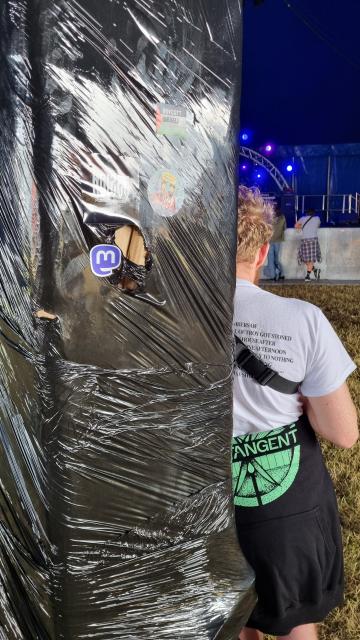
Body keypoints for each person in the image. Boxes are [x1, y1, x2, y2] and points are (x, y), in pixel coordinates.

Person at [233, 187, 358, 640]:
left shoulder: (174, 320)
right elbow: (342, 433)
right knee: (295, 625)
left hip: (205, 503)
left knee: (233, 617)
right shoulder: (302, 319)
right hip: (285, 511)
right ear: (263, 251)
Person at [295, 209, 322, 282]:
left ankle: (307, 276)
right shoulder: (317, 219)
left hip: (305, 240)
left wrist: (302, 227)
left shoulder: (302, 219)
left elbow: (296, 226)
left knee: (305, 258)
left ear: (306, 213)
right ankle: (315, 270)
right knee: (310, 259)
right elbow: (318, 225)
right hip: (313, 240)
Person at [267, 204, 286, 281]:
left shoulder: (269, 218)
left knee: (271, 259)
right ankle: (281, 274)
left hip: (270, 240)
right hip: (278, 241)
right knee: (276, 259)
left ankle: (273, 276)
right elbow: (285, 228)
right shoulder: (282, 218)